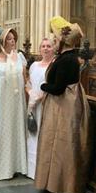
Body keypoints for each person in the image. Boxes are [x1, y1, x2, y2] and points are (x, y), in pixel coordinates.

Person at [35, 16, 91, 193]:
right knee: (61, 144)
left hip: (62, 107)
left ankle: (60, 184)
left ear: (64, 41)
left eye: (57, 39)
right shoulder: (68, 57)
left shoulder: (67, 59)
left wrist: (43, 86)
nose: (55, 41)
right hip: (65, 104)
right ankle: (59, 183)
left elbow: (58, 89)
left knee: (60, 144)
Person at [0, 28, 27, 181]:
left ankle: (14, 166)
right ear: (2, 41)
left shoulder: (20, 57)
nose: (13, 41)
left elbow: (25, 80)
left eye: (14, 38)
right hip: (0, 102)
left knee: (14, 131)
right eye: (9, 38)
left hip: (16, 103)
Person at [26, 38, 55, 179]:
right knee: (32, 133)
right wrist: (31, 94)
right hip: (33, 105)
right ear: (39, 49)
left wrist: (41, 97)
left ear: (53, 49)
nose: (45, 48)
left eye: (48, 46)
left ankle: (43, 171)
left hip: (47, 104)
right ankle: (32, 170)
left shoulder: (55, 65)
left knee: (45, 134)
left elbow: (56, 85)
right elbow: (28, 83)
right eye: (43, 46)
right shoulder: (34, 65)